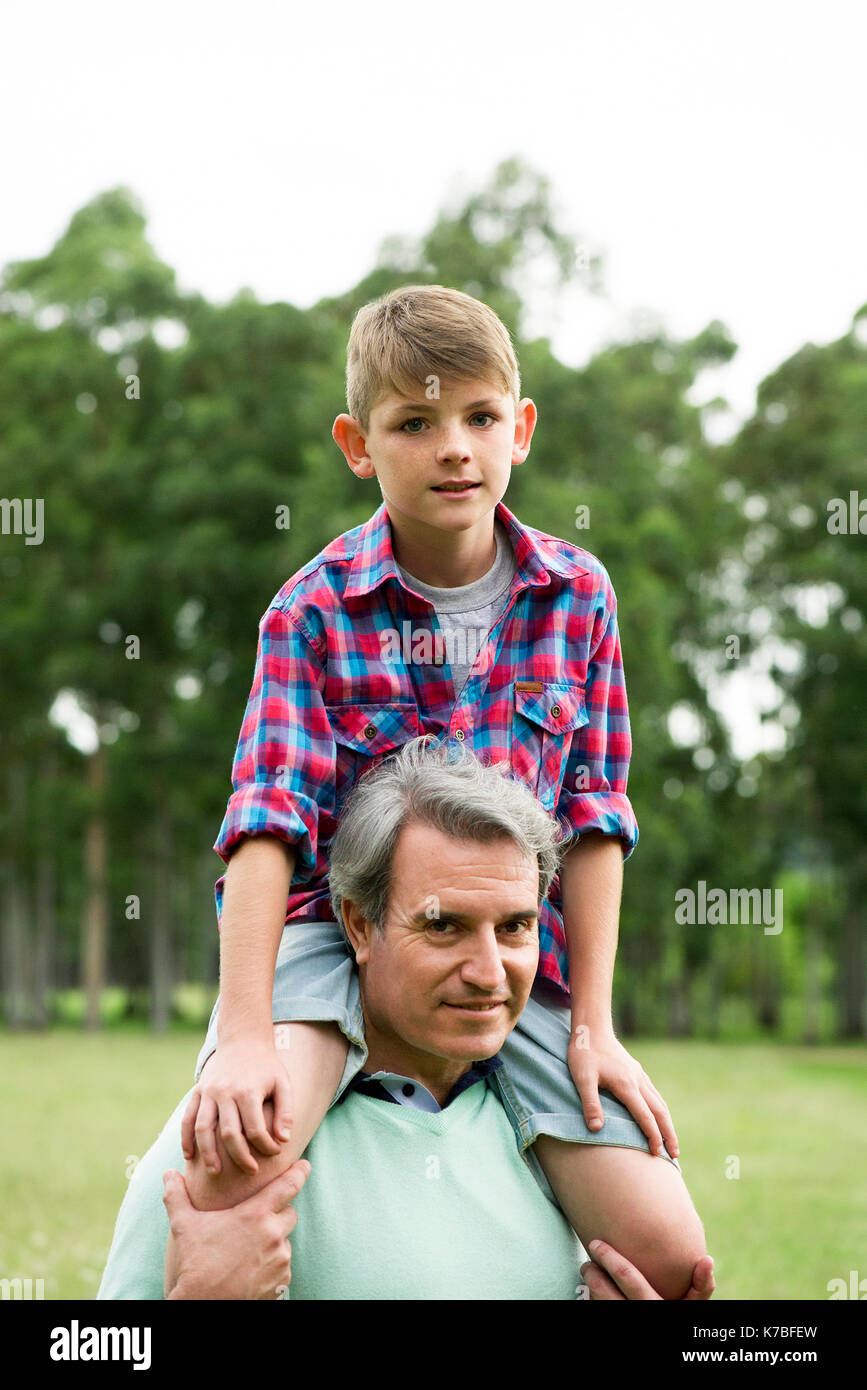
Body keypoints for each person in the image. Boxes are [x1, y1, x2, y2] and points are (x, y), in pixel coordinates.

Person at [182, 284, 703, 1299]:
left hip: (514, 945)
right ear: (357, 443)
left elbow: (596, 820)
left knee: (673, 1257)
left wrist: (591, 1021)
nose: (454, 447)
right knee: (244, 1149)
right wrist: (242, 1033)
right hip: (337, 933)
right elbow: (266, 824)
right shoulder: (311, 610)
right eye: (414, 423)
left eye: (478, 418)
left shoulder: (579, 596)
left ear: (522, 428)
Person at [99, 740, 711, 1300]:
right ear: (361, 926)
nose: (489, 972)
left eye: (515, 926)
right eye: (444, 926)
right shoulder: (232, 1139)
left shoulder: (571, 1142)